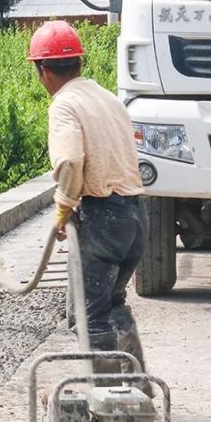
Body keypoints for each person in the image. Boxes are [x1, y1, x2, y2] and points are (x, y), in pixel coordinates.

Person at [27, 21, 149, 380]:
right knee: (114, 303)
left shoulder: (64, 104)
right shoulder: (107, 98)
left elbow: (69, 159)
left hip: (104, 217)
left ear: (43, 71)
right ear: (79, 62)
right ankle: (136, 384)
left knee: (88, 313)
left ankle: (111, 397)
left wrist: (64, 205)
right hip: (136, 215)